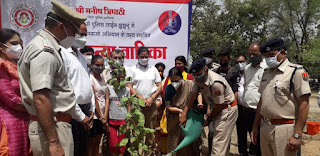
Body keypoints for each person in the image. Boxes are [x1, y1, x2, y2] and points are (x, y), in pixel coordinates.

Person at [18, 0, 87, 155]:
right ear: (61, 26)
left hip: (55, 126)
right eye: (74, 31)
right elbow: (41, 99)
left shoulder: (48, 47)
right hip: (53, 128)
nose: (75, 36)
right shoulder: (44, 52)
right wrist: (54, 143)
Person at [250, 38, 311, 156]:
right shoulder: (266, 73)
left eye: (271, 55)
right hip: (265, 126)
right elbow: (262, 102)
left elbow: (304, 104)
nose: (268, 59)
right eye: (265, 56)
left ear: (282, 53)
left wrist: (297, 134)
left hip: (285, 128)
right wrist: (255, 127)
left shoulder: (296, 71)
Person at [180, 59, 238, 156]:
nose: (196, 77)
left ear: (206, 69)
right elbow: (192, 95)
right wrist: (184, 113)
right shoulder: (198, 79)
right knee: (216, 139)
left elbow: (219, 105)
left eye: (198, 74)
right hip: (216, 108)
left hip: (226, 110)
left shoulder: (216, 83)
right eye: (195, 75)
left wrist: (209, 119)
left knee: (218, 143)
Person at [60, 23, 95, 156]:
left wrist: (91, 108)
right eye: (81, 34)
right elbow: (65, 88)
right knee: (72, 150)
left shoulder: (80, 56)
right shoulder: (62, 53)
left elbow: (86, 82)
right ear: (70, 31)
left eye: (85, 35)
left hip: (85, 112)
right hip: (73, 112)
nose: (83, 38)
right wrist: (80, 116)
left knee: (82, 150)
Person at [126, 47, 162, 155]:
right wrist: (141, 98)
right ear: (137, 57)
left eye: (146, 56)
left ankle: (149, 153)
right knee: (137, 131)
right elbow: (129, 86)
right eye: (142, 57)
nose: (144, 58)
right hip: (137, 105)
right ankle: (137, 153)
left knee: (150, 131)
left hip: (151, 105)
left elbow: (160, 86)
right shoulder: (132, 69)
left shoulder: (153, 69)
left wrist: (152, 98)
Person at [0, 29, 30, 156]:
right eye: (13, 43)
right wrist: (35, 107)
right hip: (8, 121)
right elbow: (10, 97)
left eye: (19, 43)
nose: (18, 47)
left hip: (24, 118)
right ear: (1, 46)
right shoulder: (1, 66)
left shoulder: (16, 64)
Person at [210, 49, 240, 155]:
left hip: (228, 106)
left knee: (224, 134)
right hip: (216, 105)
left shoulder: (233, 73)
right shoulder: (214, 72)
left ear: (229, 60)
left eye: (225, 60)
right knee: (213, 132)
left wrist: (233, 107)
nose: (222, 61)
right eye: (221, 59)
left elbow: (235, 91)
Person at [165, 67, 200, 156]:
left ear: (181, 78)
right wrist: (180, 111)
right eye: (172, 81)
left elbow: (198, 93)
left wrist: (199, 104)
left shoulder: (190, 85)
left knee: (190, 143)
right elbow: (168, 107)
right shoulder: (169, 88)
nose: (174, 83)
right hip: (174, 118)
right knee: (174, 141)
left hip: (190, 117)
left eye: (176, 80)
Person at [242, 43, 267, 156]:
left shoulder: (267, 69)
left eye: (254, 54)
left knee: (260, 142)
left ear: (261, 53)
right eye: (250, 54)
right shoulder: (247, 69)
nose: (252, 56)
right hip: (247, 110)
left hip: (260, 112)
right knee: (252, 140)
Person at [105, 67, 130, 156]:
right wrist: (105, 116)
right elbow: (107, 101)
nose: (120, 81)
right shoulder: (109, 88)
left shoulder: (127, 90)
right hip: (112, 119)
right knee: (113, 143)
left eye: (122, 79)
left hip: (123, 119)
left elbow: (128, 105)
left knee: (122, 145)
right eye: (118, 79)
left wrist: (128, 122)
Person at [88, 55, 107, 156]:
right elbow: (94, 98)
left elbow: (106, 96)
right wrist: (100, 116)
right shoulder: (90, 79)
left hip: (103, 115)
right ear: (92, 65)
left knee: (98, 141)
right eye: (97, 65)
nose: (100, 67)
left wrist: (105, 115)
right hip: (95, 115)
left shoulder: (103, 78)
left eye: (102, 65)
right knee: (91, 142)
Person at [234, 55, 250, 156]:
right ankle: (242, 152)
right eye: (237, 62)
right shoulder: (235, 75)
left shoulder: (251, 74)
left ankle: (253, 151)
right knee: (240, 131)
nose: (240, 64)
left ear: (247, 62)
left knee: (252, 130)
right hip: (239, 107)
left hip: (250, 108)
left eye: (242, 61)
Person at [154, 62, 167, 155]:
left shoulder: (165, 81)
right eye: (158, 70)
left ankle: (160, 149)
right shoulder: (151, 81)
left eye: (161, 71)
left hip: (162, 110)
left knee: (161, 131)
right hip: (152, 109)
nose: (160, 72)